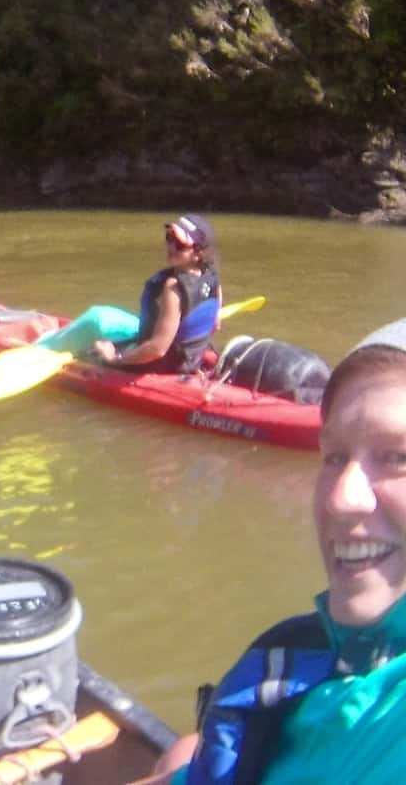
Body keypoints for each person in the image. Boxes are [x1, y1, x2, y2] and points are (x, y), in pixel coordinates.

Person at [151, 318, 406, 784]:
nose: (338, 497)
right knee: (182, 753)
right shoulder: (336, 654)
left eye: (398, 457)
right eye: (333, 456)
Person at [35, 213, 221, 375]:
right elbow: (214, 325)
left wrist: (115, 358)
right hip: (185, 359)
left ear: (197, 254)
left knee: (95, 320)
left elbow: (157, 349)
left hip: (157, 366)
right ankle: (55, 338)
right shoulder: (213, 280)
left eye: (180, 244)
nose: (171, 246)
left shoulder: (173, 288)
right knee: (101, 317)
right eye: (169, 237)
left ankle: (38, 348)